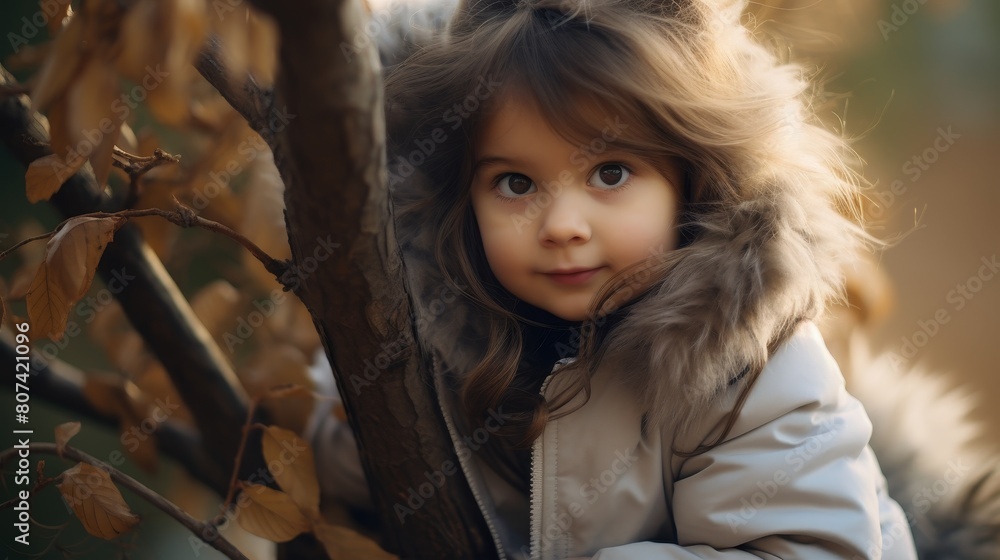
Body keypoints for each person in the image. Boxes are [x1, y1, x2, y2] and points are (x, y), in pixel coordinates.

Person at [308, 0, 921, 557]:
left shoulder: (754, 367)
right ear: (462, 202)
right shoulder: (442, 340)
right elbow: (350, 463)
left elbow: (807, 550)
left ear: (691, 181)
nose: (563, 226)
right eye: (515, 184)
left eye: (610, 173)